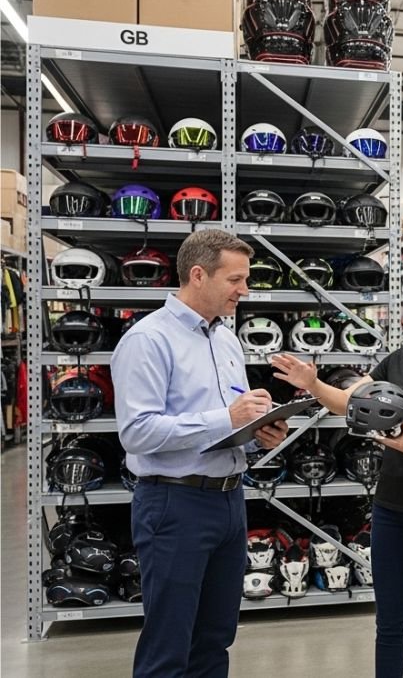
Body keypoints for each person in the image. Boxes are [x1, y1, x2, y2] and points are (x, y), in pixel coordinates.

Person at [271, 267, 403, 678]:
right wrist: (313, 384)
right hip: (389, 508)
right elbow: (348, 402)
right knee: (388, 622)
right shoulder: (399, 360)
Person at [111, 229, 289, 678]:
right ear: (197, 275)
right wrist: (226, 418)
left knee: (215, 638)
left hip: (229, 500)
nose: (244, 290)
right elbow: (136, 432)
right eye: (235, 279)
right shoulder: (148, 340)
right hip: (174, 503)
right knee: (169, 645)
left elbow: (229, 424)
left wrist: (257, 435)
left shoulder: (226, 340)